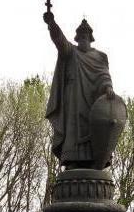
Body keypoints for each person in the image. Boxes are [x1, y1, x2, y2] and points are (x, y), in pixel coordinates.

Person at [43, 11, 115, 169]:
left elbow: (104, 74)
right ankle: (72, 159)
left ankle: (96, 159)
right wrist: (51, 24)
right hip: (74, 99)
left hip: (94, 101)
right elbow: (59, 40)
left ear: (90, 37)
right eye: (80, 34)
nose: (83, 37)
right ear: (76, 38)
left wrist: (108, 87)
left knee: (95, 127)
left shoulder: (100, 56)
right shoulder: (71, 51)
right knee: (73, 130)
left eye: (85, 34)